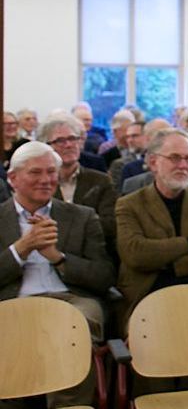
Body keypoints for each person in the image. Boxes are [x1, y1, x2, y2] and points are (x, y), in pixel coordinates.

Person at [0, 142, 116, 408]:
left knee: (71, 326)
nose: (46, 180)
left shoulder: (82, 216)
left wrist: (57, 257)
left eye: (52, 172)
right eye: (36, 173)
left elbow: (103, 277)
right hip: (12, 302)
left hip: (71, 299)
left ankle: (68, 405)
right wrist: (21, 250)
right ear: (12, 178)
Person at [115, 129, 188, 326]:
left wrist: (169, 264)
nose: (183, 165)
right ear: (153, 162)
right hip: (150, 292)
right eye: (175, 158)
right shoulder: (130, 204)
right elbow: (135, 253)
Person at [39, 115, 118, 255]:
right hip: (48, 255)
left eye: (72, 138)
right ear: (46, 147)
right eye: (60, 141)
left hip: (93, 256)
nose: (69, 145)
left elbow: (110, 225)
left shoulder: (101, 181)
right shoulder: (40, 184)